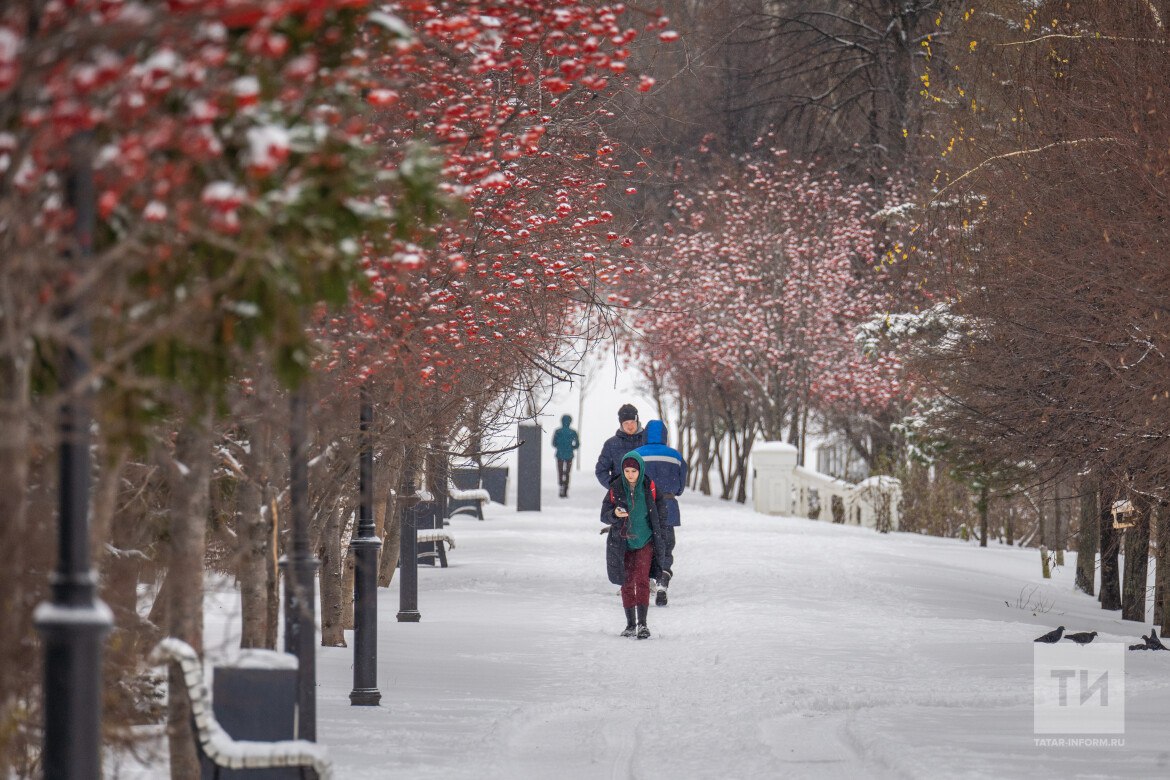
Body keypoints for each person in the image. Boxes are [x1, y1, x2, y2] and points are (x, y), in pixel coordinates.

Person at [600, 451, 668, 639]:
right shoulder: (615, 488)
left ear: (640, 470)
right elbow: (604, 514)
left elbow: (661, 511)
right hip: (623, 543)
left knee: (642, 580)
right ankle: (630, 624)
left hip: (645, 541)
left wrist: (659, 532)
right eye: (627, 470)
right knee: (627, 582)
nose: (630, 474)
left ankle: (643, 625)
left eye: (634, 471)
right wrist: (614, 514)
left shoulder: (650, 487)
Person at [636, 420, 686, 606]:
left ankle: (644, 581)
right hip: (668, 506)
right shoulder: (675, 456)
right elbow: (680, 486)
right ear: (665, 435)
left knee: (644, 546)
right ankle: (663, 581)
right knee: (665, 546)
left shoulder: (636, 455)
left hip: (643, 508)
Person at [594, 403, 646, 489]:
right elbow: (601, 470)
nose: (630, 426)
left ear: (637, 421)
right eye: (626, 423)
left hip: (645, 497)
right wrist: (615, 488)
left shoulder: (647, 441)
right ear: (621, 424)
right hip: (620, 499)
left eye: (632, 422)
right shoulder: (611, 444)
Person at [551, 414, 579, 498]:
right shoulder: (573, 432)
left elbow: (553, 443)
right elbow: (577, 444)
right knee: (567, 472)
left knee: (560, 472)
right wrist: (571, 447)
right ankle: (566, 489)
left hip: (559, 455)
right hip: (569, 455)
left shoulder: (558, 431)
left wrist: (560, 446)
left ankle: (561, 486)